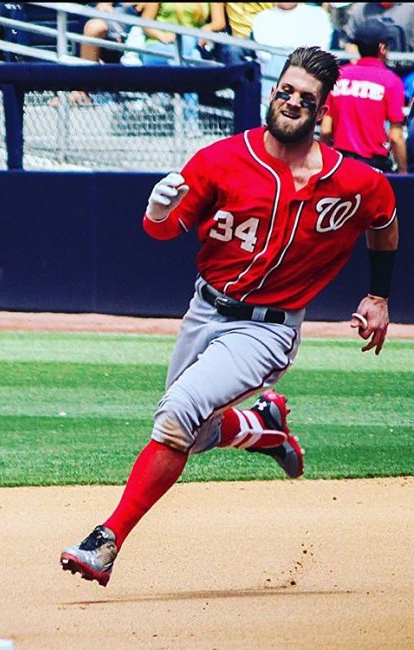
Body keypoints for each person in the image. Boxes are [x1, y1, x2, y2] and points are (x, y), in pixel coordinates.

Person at [60, 45, 399, 587]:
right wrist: (157, 211)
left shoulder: (356, 181)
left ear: (322, 110)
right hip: (205, 311)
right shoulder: (221, 160)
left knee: (178, 413)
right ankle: (262, 427)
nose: (291, 102)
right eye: (284, 91)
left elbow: (384, 221)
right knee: (188, 434)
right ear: (272, 93)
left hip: (267, 329)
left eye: (305, 98)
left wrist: (378, 296)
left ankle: (106, 540)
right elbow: (165, 232)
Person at [321, 18, 407, 173]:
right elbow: (395, 137)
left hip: (341, 164)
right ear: (382, 48)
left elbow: (326, 130)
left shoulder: (339, 76)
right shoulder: (391, 81)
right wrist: (404, 172)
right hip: (374, 167)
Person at [252, 3, 333, 109]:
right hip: (270, 86)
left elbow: (318, 53)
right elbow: (265, 57)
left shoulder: (319, 16)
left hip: (307, 87)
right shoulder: (262, 18)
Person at [139, 2, 226, 65]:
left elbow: (219, 22)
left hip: (193, 45)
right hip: (160, 46)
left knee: (192, 51)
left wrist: (208, 28)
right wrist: (163, 36)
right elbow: (145, 24)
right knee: (194, 54)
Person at [343, 2, 414, 53]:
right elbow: (350, 43)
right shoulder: (361, 9)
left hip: (406, 68)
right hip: (371, 67)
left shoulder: (411, 9)